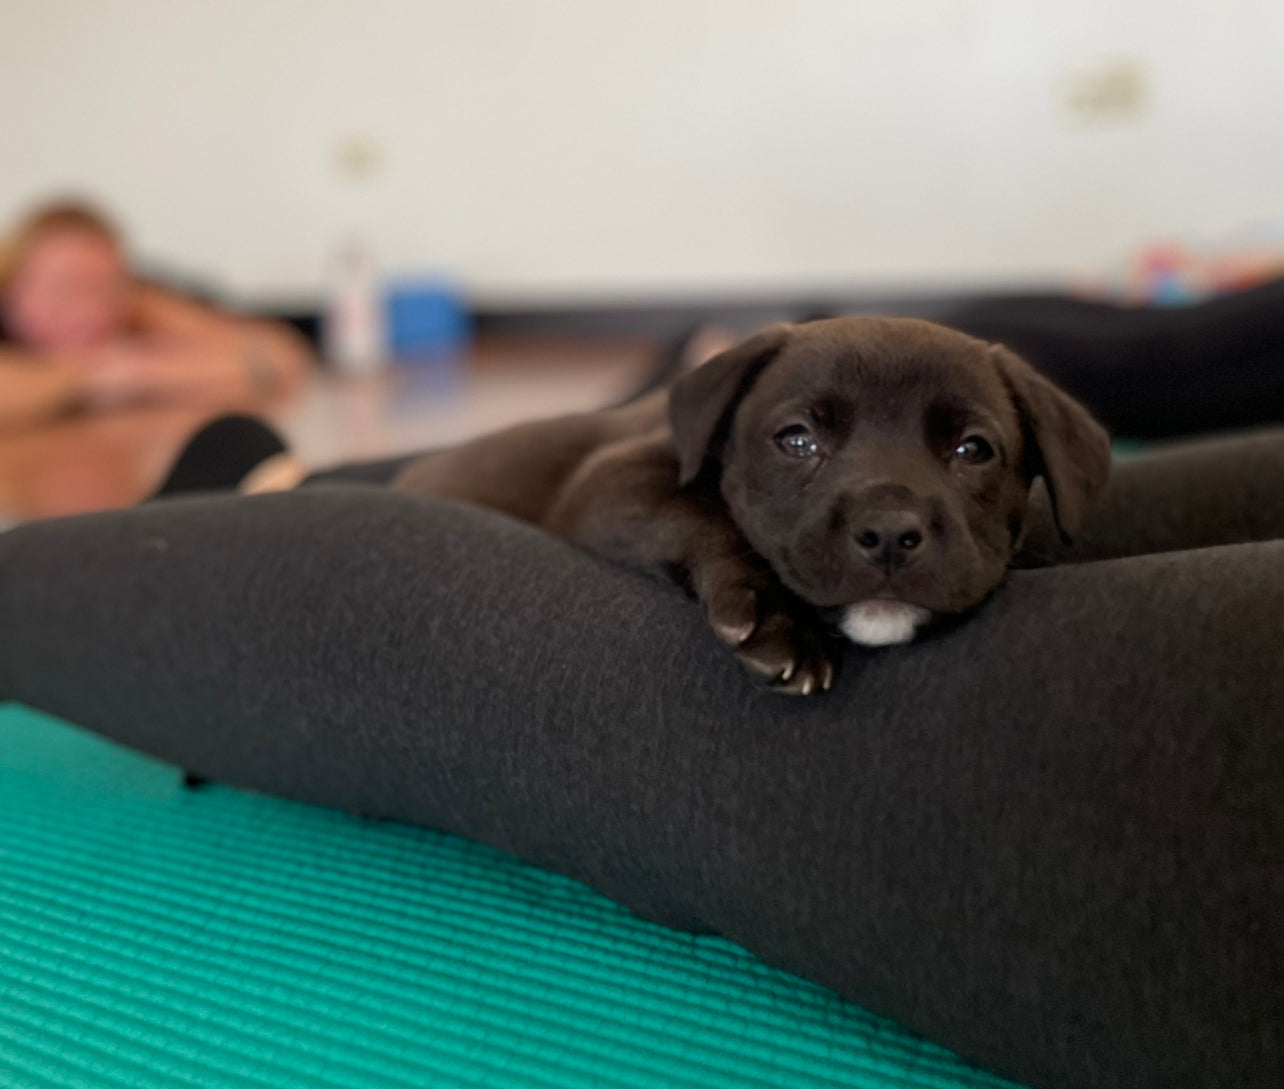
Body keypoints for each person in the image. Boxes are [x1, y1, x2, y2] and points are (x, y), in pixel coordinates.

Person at [0, 200, 313, 430]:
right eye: (64, 289)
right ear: (12, 290)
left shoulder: (143, 305)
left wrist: (137, 369)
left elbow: (281, 354)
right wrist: (95, 373)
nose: (90, 310)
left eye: (108, 288)